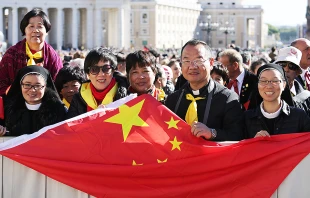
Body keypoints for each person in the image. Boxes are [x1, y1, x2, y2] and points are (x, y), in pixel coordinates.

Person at [165, 39, 243, 141]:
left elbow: (238, 136)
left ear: (211, 63)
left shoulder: (228, 98)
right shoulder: (172, 100)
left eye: (198, 60)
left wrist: (212, 133)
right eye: (187, 61)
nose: (192, 66)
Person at [0, 8, 63, 96]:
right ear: (24, 30)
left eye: (40, 26)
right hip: (15, 105)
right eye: (31, 26)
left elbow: (59, 88)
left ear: (46, 31)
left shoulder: (53, 57)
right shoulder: (11, 55)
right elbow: (1, 84)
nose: (35, 30)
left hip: (45, 105)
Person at [244, 63, 310, 138]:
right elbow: (238, 147)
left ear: (284, 85)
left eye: (275, 81)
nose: (269, 86)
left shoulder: (299, 117)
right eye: (263, 81)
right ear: (258, 85)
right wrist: (253, 142)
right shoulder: (247, 118)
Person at [3, 65, 66, 136]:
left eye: (38, 85)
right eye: (27, 85)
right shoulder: (7, 110)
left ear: (45, 87)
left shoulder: (59, 110)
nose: (32, 90)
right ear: (20, 86)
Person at [66, 47, 128, 119]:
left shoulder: (126, 95)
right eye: (94, 69)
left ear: (113, 71)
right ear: (88, 74)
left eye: (106, 68)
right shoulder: (78, 98)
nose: (101, 74)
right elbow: (71, 128)